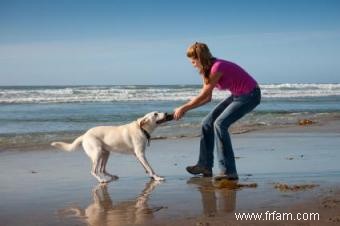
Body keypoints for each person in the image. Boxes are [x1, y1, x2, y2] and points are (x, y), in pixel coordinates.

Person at [173, 42, 261, 180]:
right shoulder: (206, 71)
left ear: (200, 58)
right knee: (207, 122)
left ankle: (228, 171)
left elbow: (203, 96)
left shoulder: (217, 67)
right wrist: (187, 109)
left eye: (193, 60)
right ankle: (205, 165)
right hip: (237, 96)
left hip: (251, 95)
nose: (192, 63)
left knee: (220, 124)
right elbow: (207, 98)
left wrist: (184, 108)